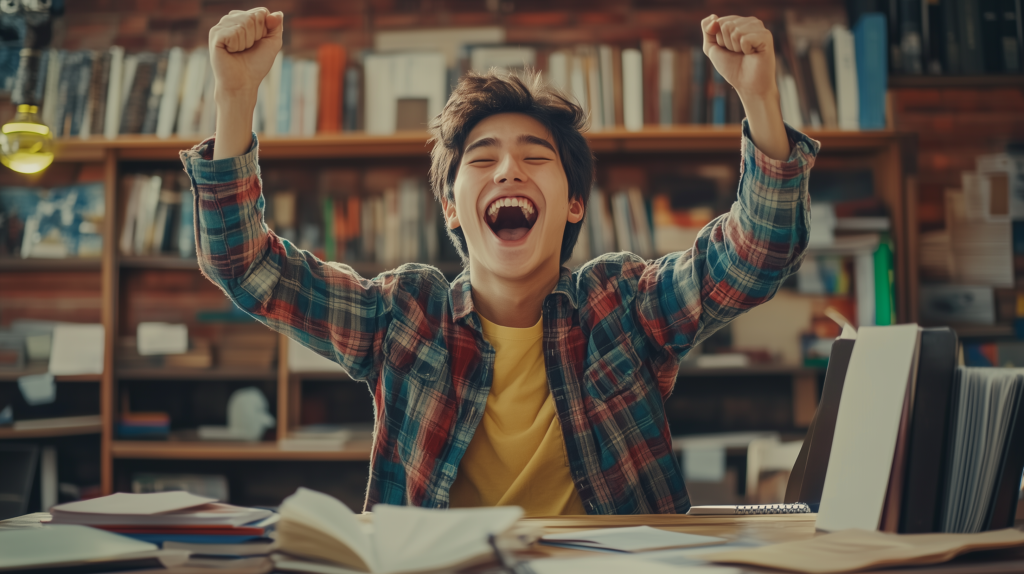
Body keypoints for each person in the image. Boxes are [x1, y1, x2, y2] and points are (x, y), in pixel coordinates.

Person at [182, 8, 819, 515]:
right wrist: (235, 97)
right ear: (452, 209)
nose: (509, 168)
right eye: (482, 159)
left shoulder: (625, 305)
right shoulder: (404, 316)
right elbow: (246, 265)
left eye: (535, 157)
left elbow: (757, 252)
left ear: (573, 204)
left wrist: (759, 98)